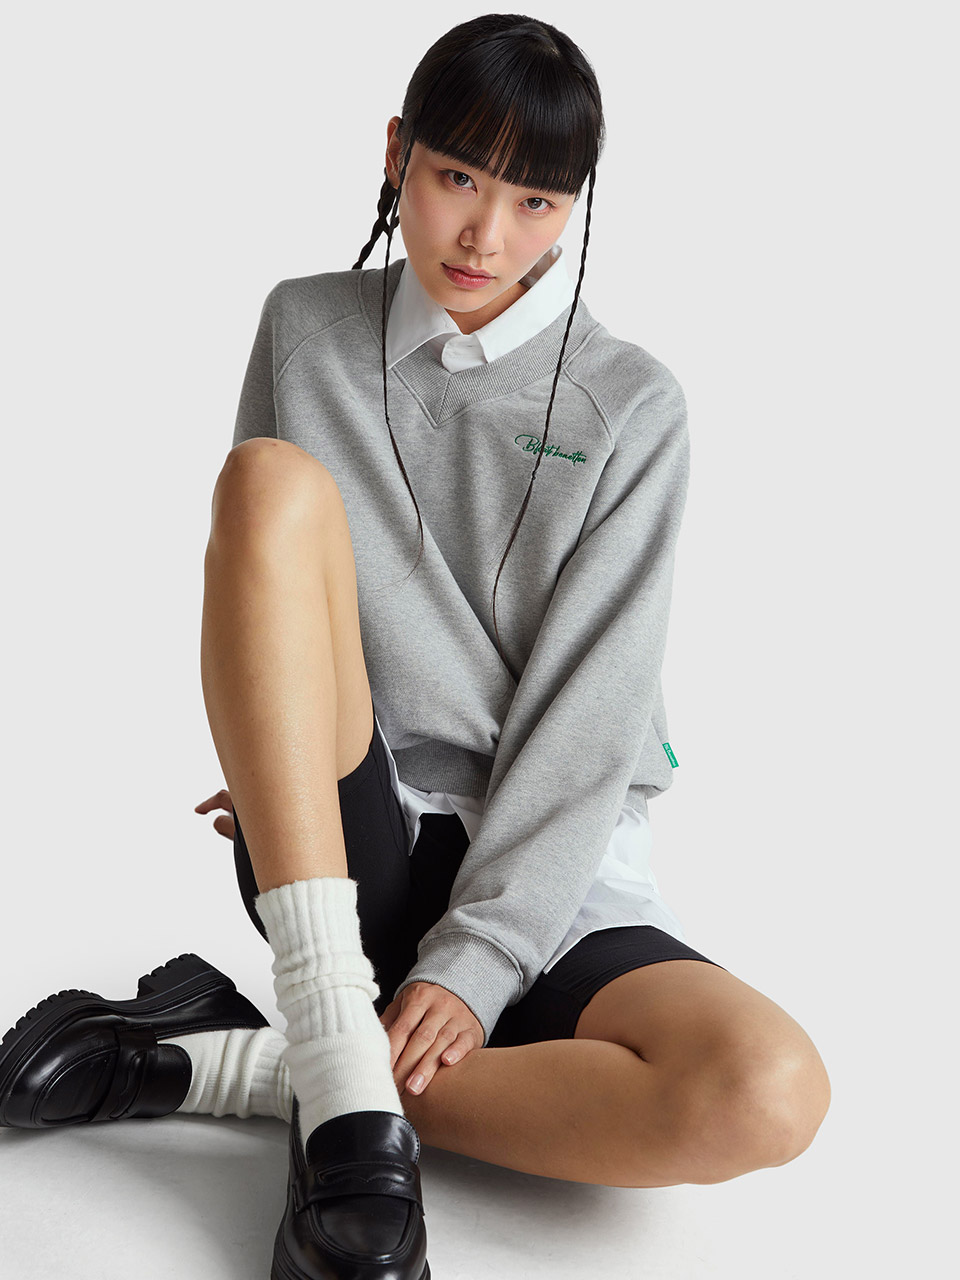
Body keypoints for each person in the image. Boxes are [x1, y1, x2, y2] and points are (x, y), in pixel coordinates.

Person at [0, 13, 831, 1280]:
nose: (486, 235)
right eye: (457, 177)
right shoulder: (305, 326)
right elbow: (274, 582)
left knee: (768, 1089)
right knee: (267, 483)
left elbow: (593, 714)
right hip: (351, 838)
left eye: (536, 201)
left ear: (574, 208)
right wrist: (277, 759)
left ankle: (270, 1065)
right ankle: (336, 1014)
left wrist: (483, 953)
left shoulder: (632, 404)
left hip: (549, 859)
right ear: (397, 154)